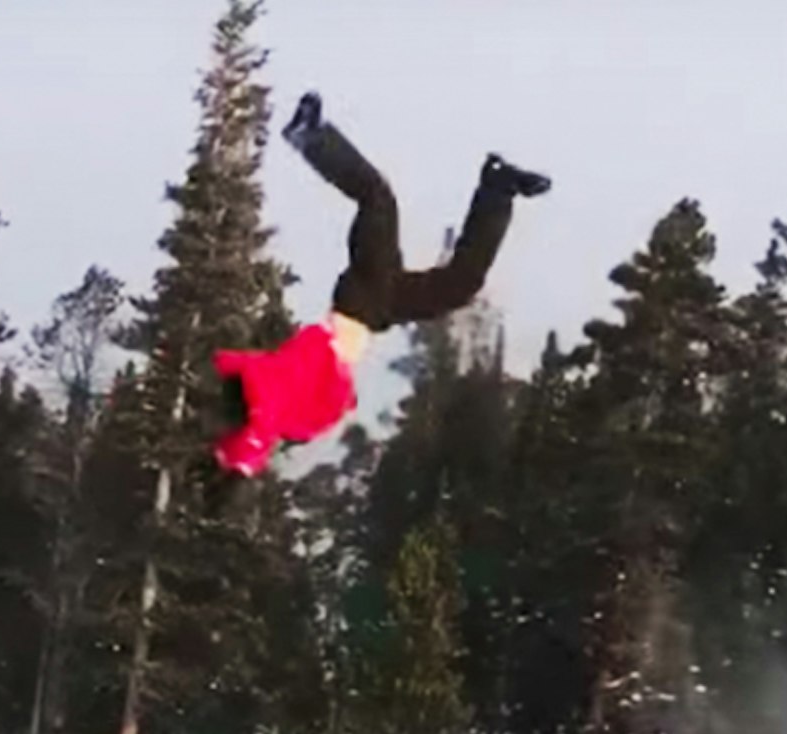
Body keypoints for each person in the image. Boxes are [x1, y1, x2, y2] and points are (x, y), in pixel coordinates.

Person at [209, 92, 551, 477]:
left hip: (363, 293)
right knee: (462, 283)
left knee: (379, 201)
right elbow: (246, 408)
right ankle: (497, 188)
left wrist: (233, 464)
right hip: (382, 308)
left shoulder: (265, 399)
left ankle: (311, 136)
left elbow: (251, 425)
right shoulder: (281, 403)